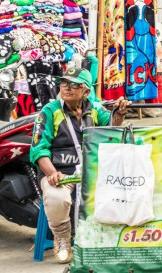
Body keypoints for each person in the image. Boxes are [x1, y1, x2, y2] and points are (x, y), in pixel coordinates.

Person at [30, 67, 131, 264]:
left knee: (125, 188)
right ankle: (62, 237)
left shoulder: (94, 108)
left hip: (92, 171)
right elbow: (38, 149)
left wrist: (119, 113)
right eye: (64, 83)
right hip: (61, 172)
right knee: (57, 196)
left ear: (86, 91)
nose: (67, 88)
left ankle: (109, 239)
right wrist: (52, 173)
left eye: (74, 85)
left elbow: (112, 129)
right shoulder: (49, 112)